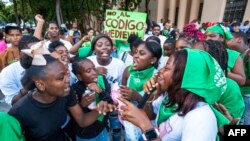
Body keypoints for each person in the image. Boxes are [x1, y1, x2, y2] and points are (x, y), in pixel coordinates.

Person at [8, 42, 114, 141]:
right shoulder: (19, 112)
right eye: (60, 78)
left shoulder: (67, 93)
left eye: (66, 74)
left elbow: (82, 120)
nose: (67, 80)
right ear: (40, 84)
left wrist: (101, 109)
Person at [118, 49, 227, 141]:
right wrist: (147, 94)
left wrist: (146, 126)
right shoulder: (171, 98)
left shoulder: (200, 117)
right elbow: (152, 114)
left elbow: (147, 123)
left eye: (167, 68)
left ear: (183, 76)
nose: (160, 72)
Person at [192, 40, 245, 129]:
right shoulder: (186, 81)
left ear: (214, 61)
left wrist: (229, 130)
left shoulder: (229, 87)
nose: (190, 60)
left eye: (198, 57)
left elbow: (235, 129)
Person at [120, 41, 162, 141]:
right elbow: (122, 97)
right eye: (135, 52)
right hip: (129, 124)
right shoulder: (127, 71)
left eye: (142, 53)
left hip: (146, 129)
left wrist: (137, 97)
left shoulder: (157, 79)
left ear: (153, 60)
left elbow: (152, 115)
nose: (135, 56)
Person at [87, 34, 126, 141]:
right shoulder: (89, 61)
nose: (104, 47)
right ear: (94, 50)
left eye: (108, 45)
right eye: (99, 45)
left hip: (113, 105)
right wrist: (94, 71)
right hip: (95, 105)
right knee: (100, 129)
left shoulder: (119, 64)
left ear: (112, 48)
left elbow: (121, 86)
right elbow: (81, 80)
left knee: (116, 129)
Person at [71, 58, 113, 141]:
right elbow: (75, 115)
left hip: (101, 128)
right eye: (88, 71)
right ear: (79, 77)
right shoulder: (75, 89)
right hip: (86, 134)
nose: (94, 73)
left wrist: (100, 91)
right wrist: (82, 105)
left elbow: (110, 102)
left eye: (94, 68)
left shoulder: (102, 80)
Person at [0, 35, 40, 105]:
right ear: (20, 53)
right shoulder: (7, 73)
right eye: (31, 52)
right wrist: (27, 88)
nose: (35, 55)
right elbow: (13, 102)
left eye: (38, 51)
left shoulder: (46, 66)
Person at [226, 32, 250, 125]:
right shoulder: (238, 55)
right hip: (238, 95)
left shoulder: (248, 55)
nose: (226, 41)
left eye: (229, 39)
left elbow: (242, 80)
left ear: (239, 39)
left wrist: (231, 76)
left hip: (246, 96)